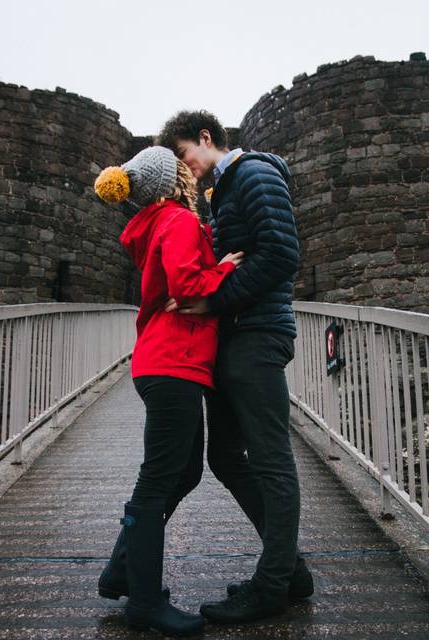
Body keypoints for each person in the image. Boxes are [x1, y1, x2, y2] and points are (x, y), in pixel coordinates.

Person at [158, 111, 313, 624]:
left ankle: (271, 588)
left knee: (270, 460)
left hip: (257, 334)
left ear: (206, 138)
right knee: (226, 456)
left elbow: (281, 254)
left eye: (184, 155)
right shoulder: (220, 194)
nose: (186, 168)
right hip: (234, 334)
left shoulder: (254, 173)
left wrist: (214, 304)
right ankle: (288, 570)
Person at [93, 146, 243, 637]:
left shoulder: (157, 223)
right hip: (172, 362)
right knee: (159, 479)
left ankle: (122, 571)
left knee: (183, 473)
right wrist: (223, 268)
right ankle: (143, 603)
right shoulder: (177, 220)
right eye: (183, 170)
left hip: (170, 362)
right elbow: (185, 283)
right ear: (174, 180)